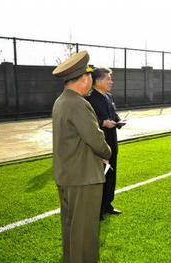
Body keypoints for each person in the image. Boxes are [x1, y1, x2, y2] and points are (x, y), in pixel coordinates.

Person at [52, 51, 112, 262]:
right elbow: (96, 139)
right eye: (90, 78)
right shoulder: (78, 103)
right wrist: (107, 153)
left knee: (71, 229)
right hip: (83, 178)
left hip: (68, 175)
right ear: (85, 78)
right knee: (85, 233)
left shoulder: (61, 101)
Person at [87, 67, 123, 220]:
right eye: (108, 79)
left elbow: (113, 114)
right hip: (99, 145)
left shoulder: (108, 96)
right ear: (98, 81)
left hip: (112, 143)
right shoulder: (89, 99)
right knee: (99, 177)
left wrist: (119, 121)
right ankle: (96, 209)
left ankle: (108, 204)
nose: (111, 81)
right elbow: (88, 123)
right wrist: (102, 123)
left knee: (111, 175)